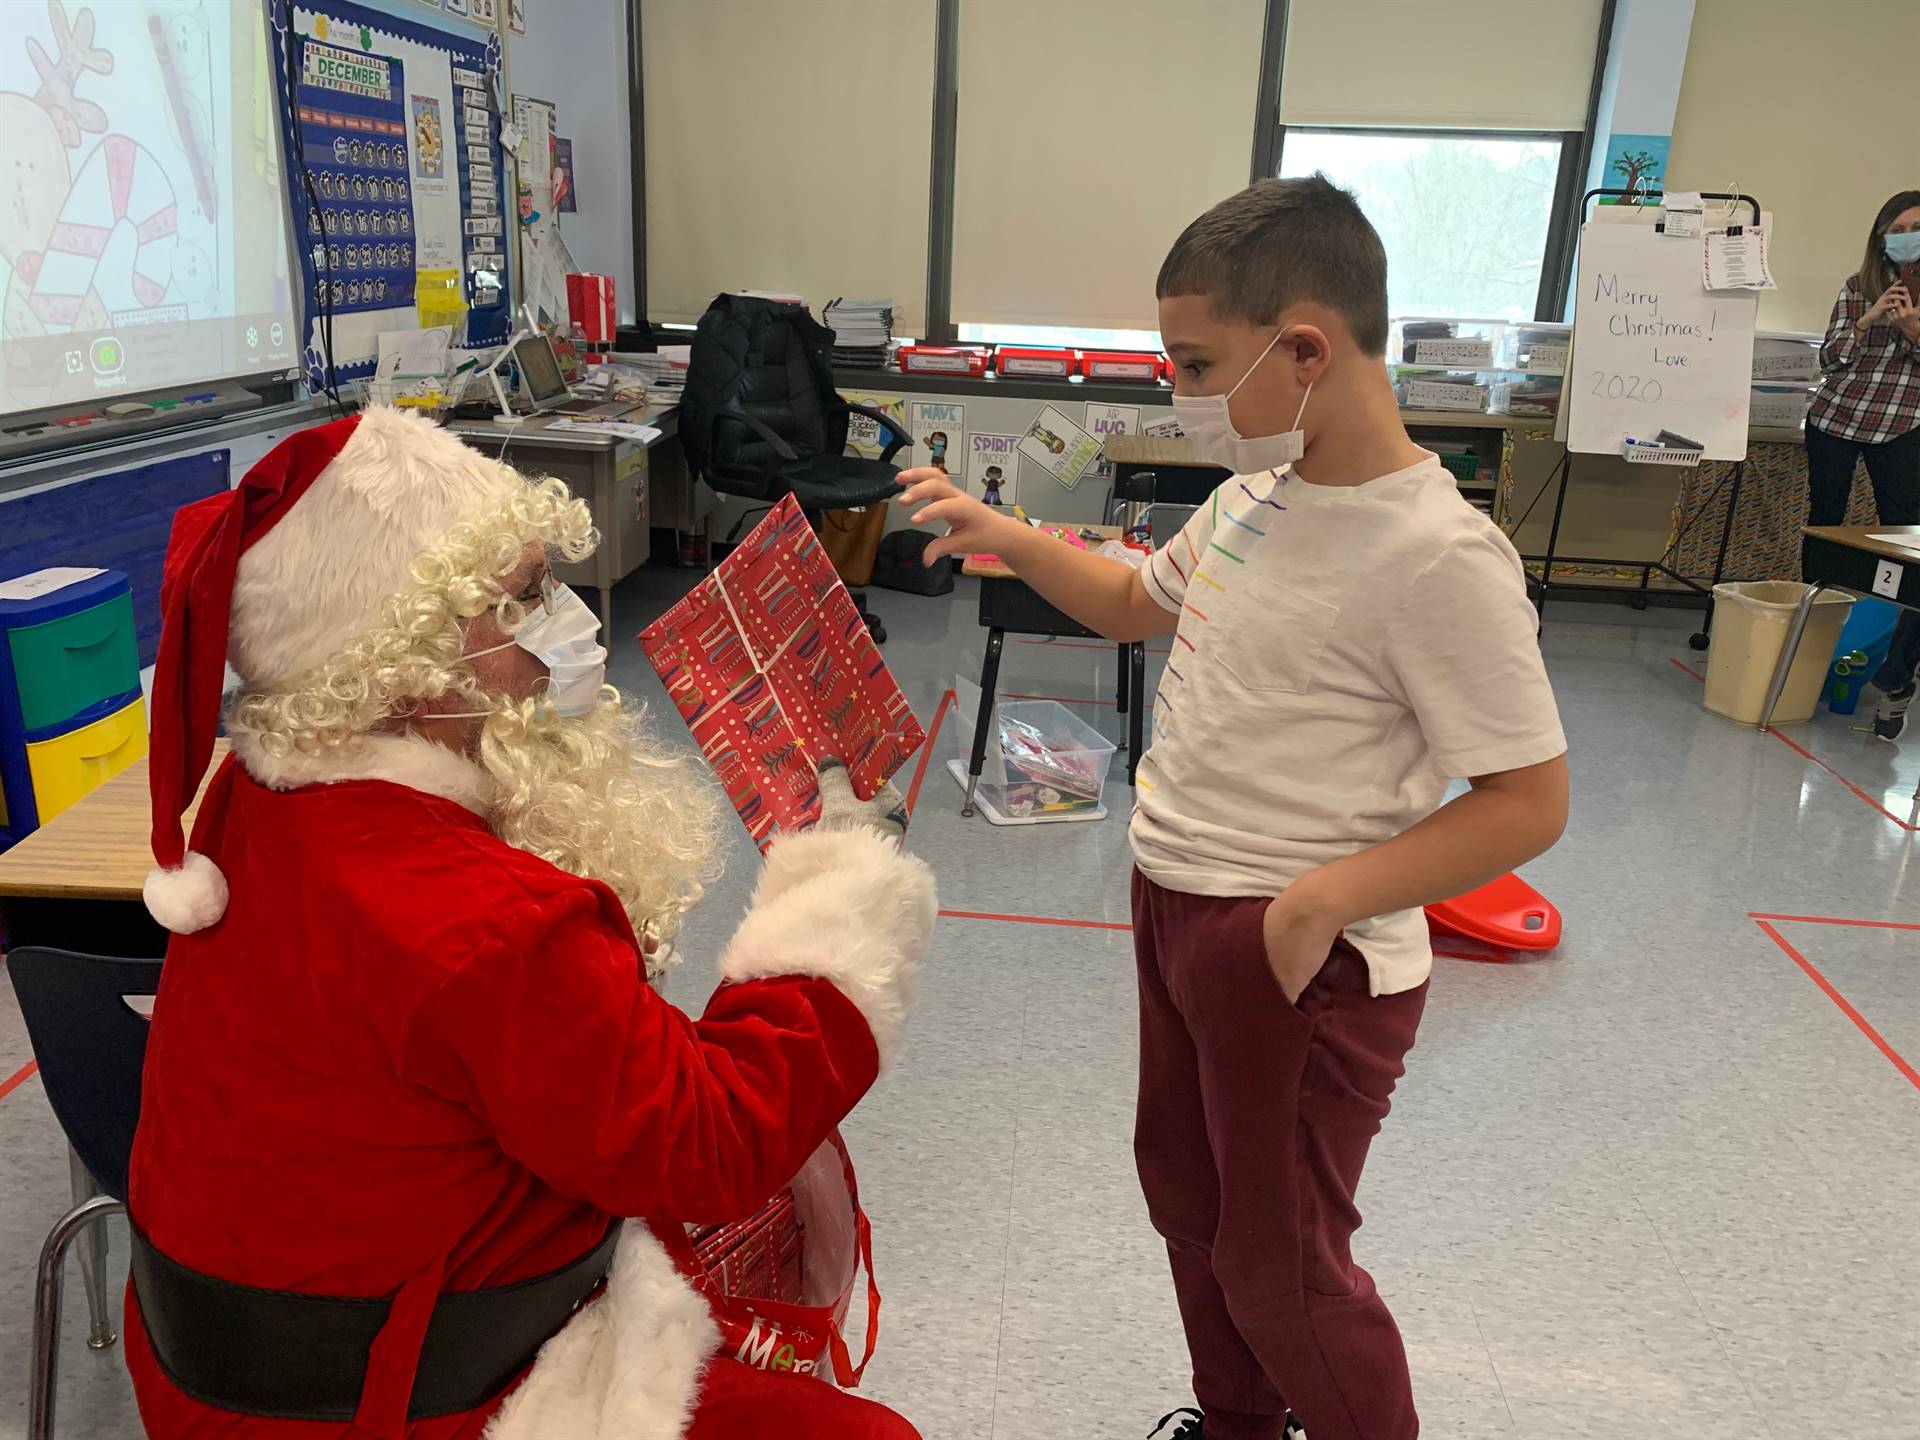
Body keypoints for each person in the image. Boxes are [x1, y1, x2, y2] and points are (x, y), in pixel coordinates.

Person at [898, 176, 1568, 1440]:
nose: (1181, 395)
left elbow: (1529, 800)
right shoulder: (1253, 502)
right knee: (1192, 1209)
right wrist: (1008, 534)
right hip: (1176, 906)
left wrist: (1323, 900)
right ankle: (1240, 1423)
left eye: (1196, 365)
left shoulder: (1437, 552)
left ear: (1304, 349)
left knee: (1287, 1266)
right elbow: (1137, 604)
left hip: (1296, 948)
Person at [127, 407, 935, 1440]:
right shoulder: (483, 921)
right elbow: (711, 1143)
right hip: (403, 1398)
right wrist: (841, 893)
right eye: (522, 601)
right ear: (403, 666)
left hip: (227, 1367)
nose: (568, 627)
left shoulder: (260, 798)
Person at [1805, 188, 1920, 742]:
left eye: (1916, 225)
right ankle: (1808, 636)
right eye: (1898, 226)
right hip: (1836, 420)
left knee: (1902, 536)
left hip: (1900, 428)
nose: (1906, 234)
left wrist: (1913, 332)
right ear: (1882, 234)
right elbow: (1828, 358)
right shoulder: (1859, 286)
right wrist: (1870, 319)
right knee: (1825, 524)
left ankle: (1893, 665)